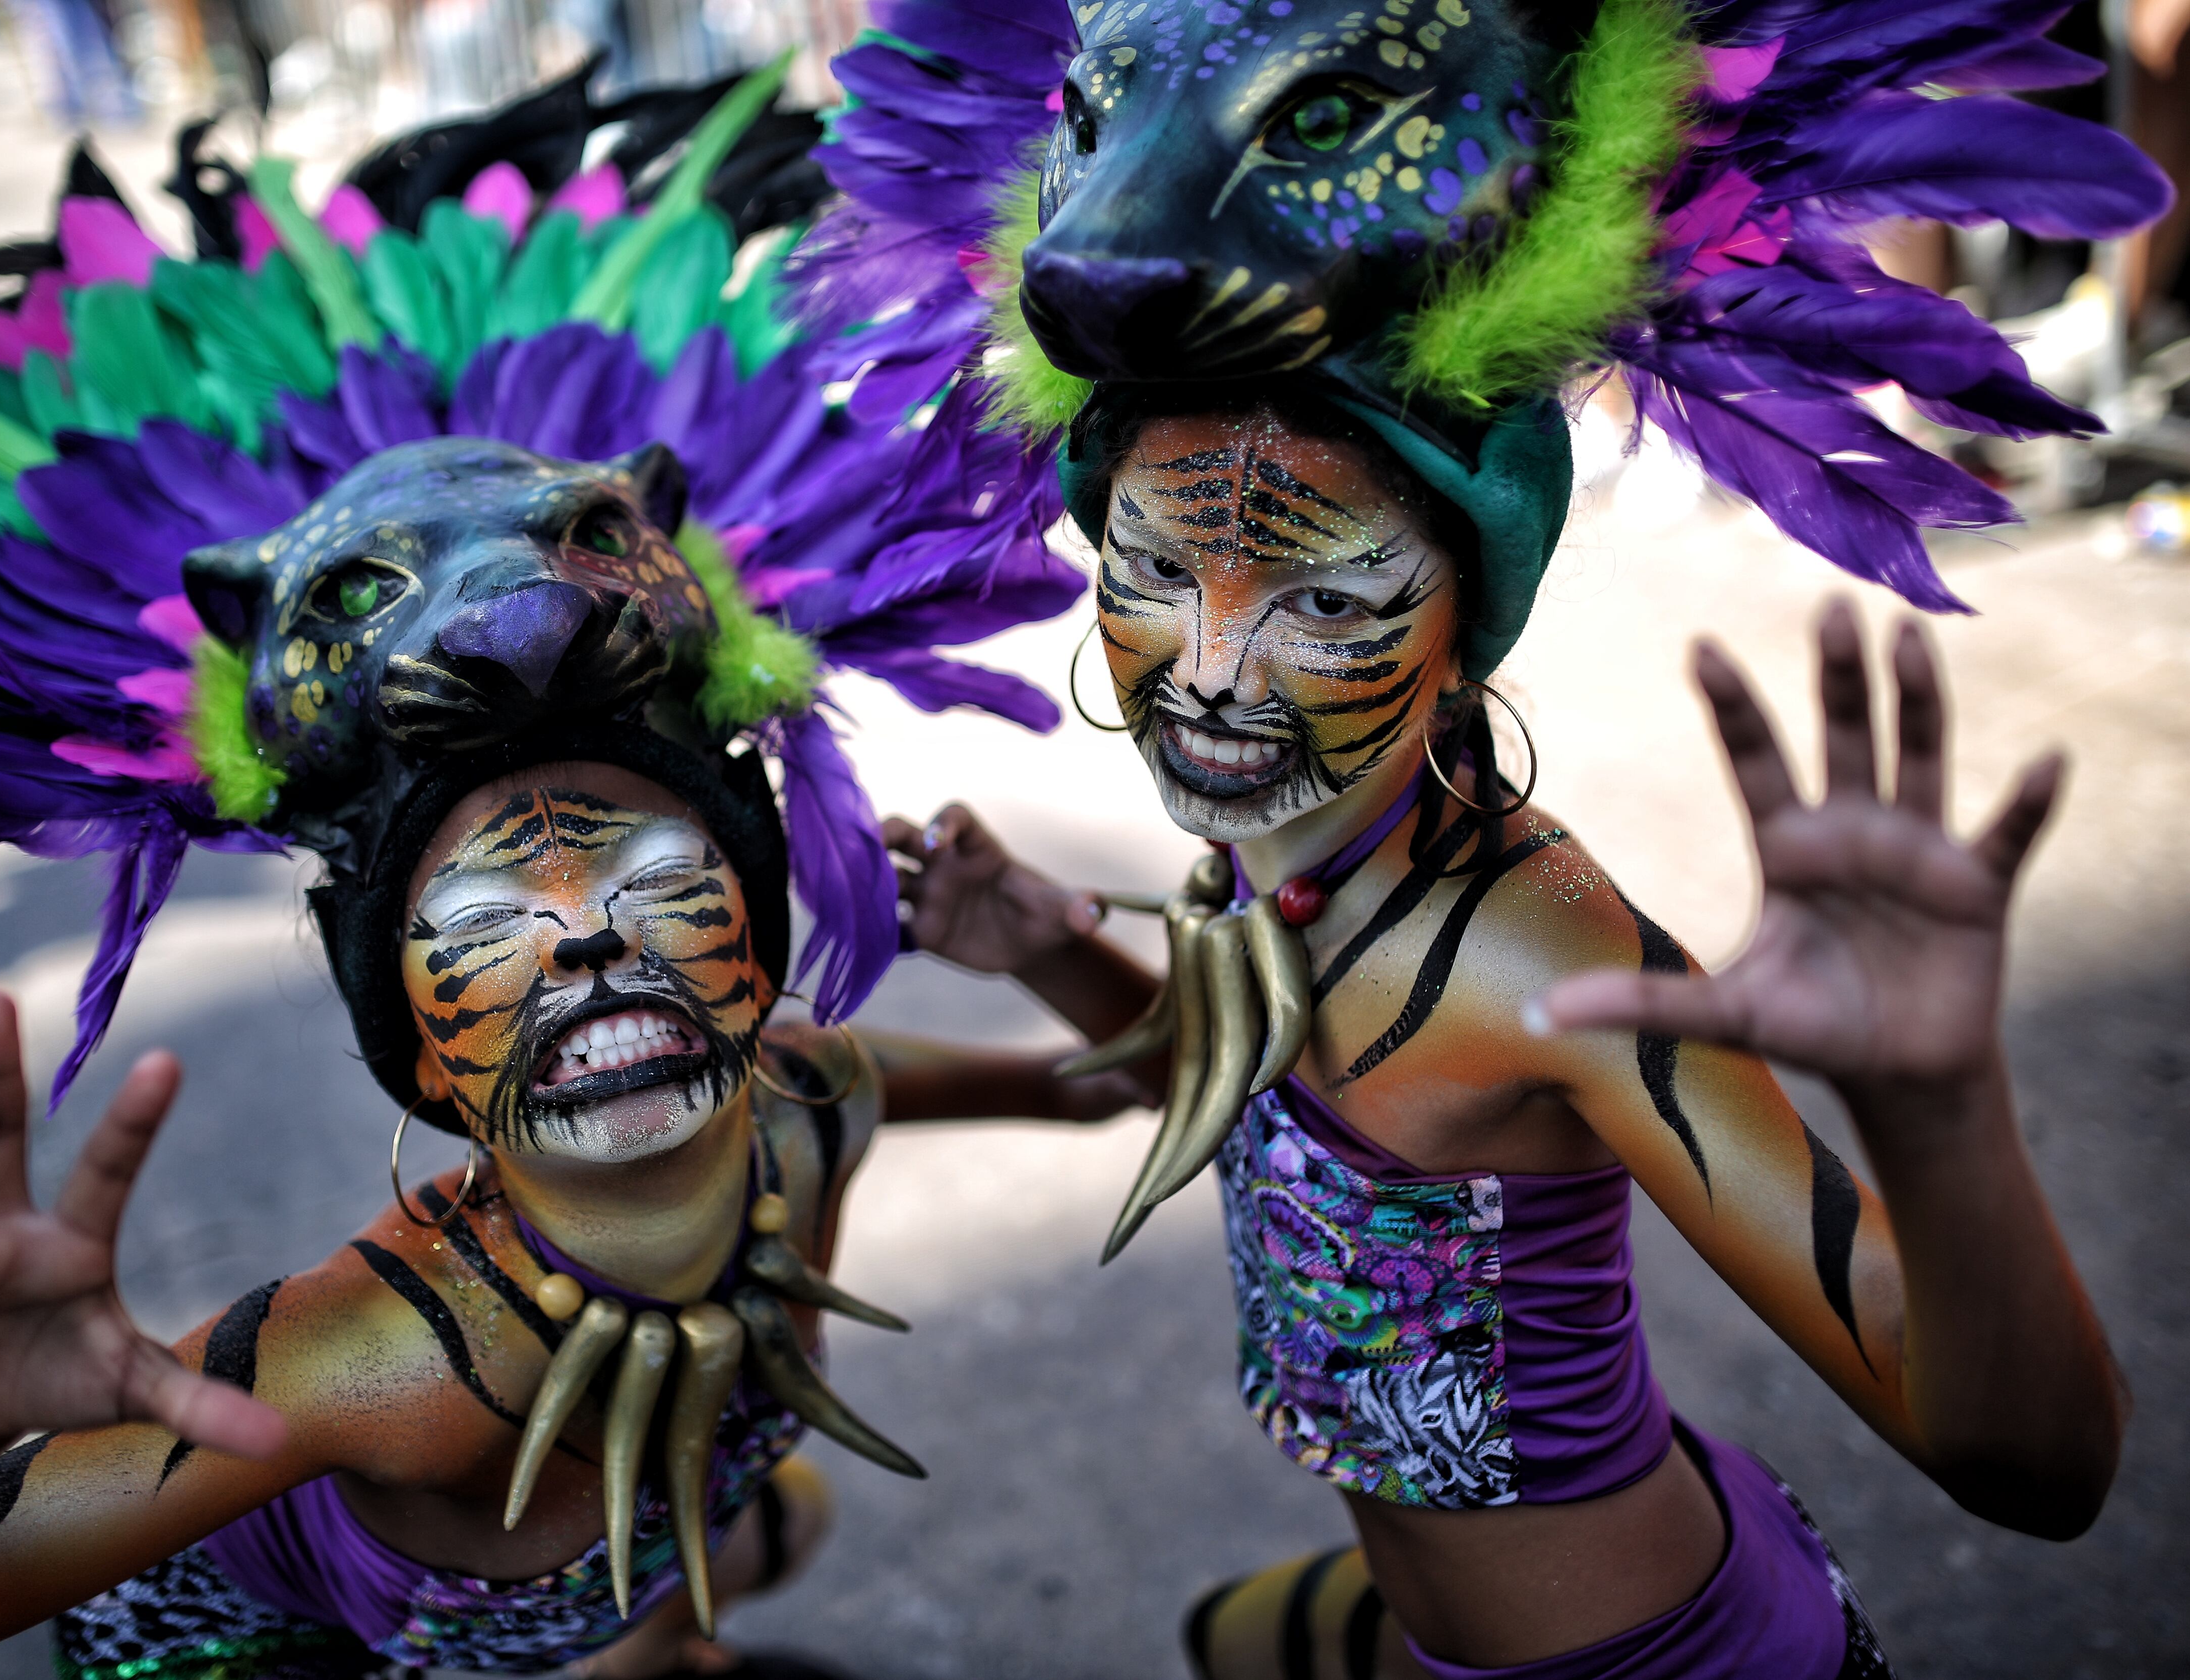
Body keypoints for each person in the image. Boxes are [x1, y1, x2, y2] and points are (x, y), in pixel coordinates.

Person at [786, 0, 2174, 1673]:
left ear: (1468, 614)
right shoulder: (1273, 845)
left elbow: (2034, 1466)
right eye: (1153, 574)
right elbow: (1231, 1074)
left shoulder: (1537, 954)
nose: (1213, 675)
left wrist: (1938, 1116)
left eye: (1323, 596)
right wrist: (1057, 955)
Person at [0, 66, 1088, 1678]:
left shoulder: (806, 1099)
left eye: (646, 872)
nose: (583, 947)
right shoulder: (363, 1366)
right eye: (487, 924)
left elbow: (1115, 1080)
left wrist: (1057, 984)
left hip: (621, 1544)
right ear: (412, 1044)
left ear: (759, 936)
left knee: (761, 1524)